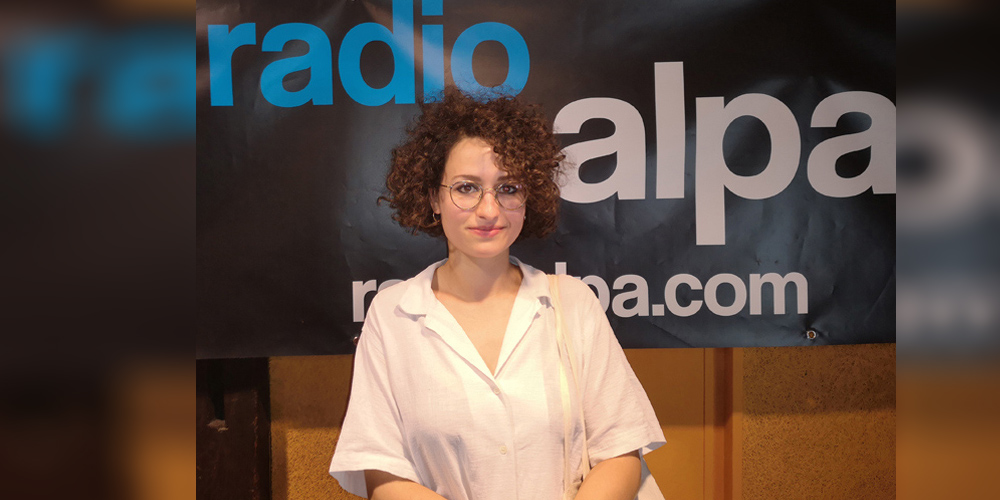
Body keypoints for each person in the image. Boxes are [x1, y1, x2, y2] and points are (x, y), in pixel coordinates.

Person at [329, 88, 664, 500]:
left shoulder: (573, 303)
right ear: (434, 197)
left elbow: (621, 451)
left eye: (508, 188)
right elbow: (382, 472)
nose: (489, 210)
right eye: (467, 188)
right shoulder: (392, 314)